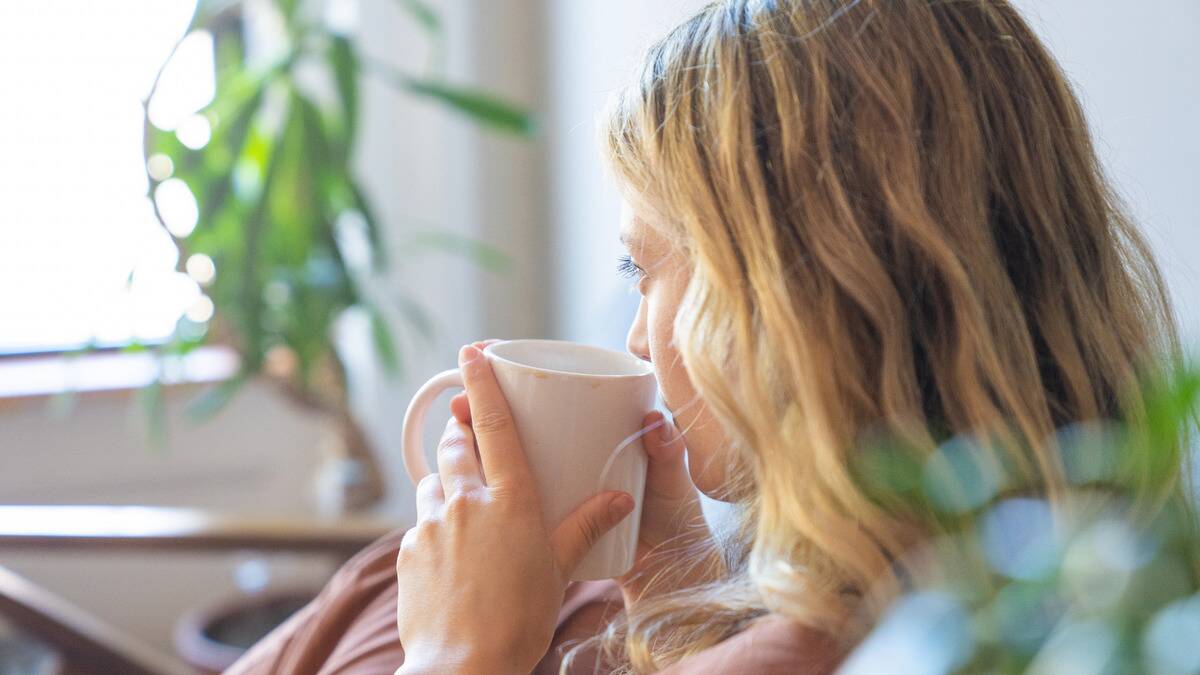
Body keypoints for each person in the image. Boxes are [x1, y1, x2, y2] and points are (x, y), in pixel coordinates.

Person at [228, 0, 1190, 673]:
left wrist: (455, 654)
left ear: (795, 298)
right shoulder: (1085, 584)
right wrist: (680, 592)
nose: (640, 343)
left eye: (645, 269)